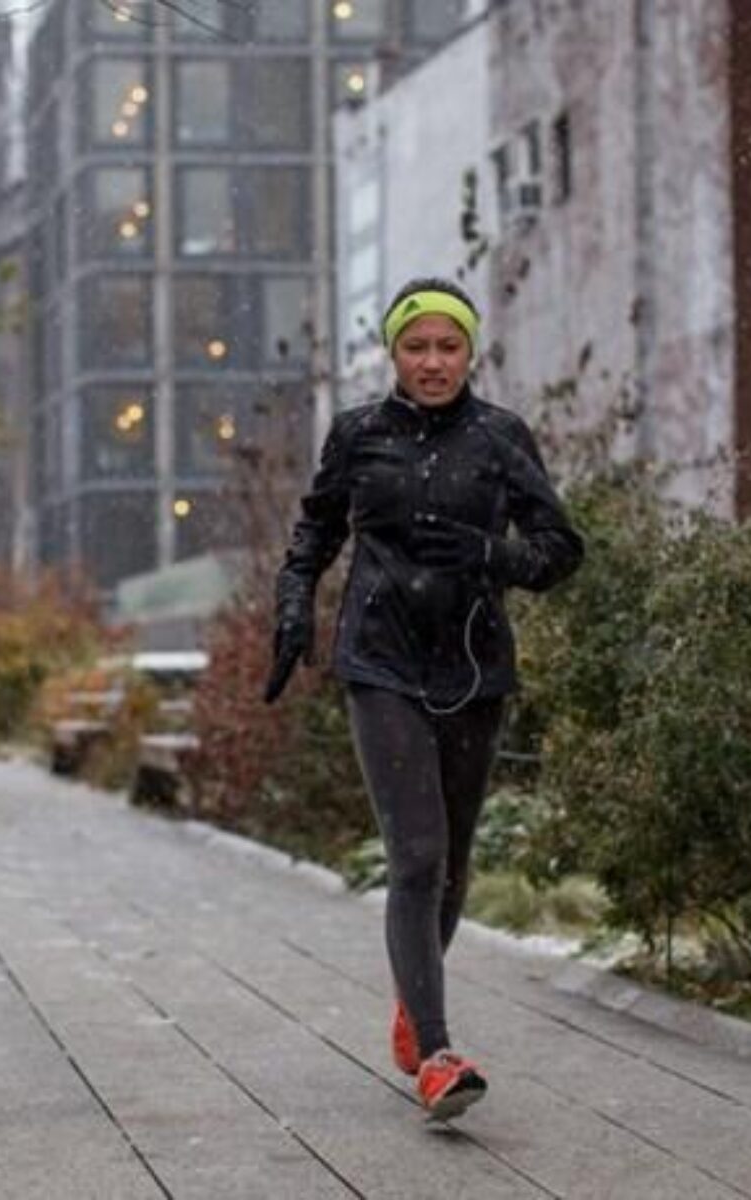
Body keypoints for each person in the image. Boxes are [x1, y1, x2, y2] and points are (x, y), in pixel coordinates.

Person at [263, 277, 584, 1121]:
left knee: (453, 864)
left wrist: (488, 551)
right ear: (394, 353)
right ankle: (437, 1054)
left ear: (469, 352)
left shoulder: (500, 439)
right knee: (415, 857)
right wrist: (295, 606)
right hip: (381, 663)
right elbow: (314, 535)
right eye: (417, 347)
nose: (433, 362)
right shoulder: (359, 436)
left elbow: (558, 551)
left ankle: (414, 1005)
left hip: (474, 669)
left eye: (448, 347)